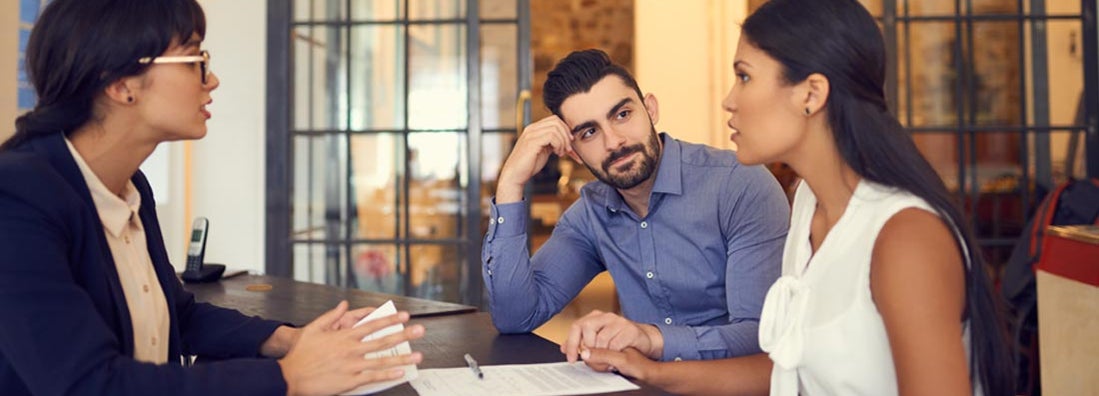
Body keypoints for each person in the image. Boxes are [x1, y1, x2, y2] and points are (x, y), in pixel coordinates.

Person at [580, 1, 1014, 395]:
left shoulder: (905, 237)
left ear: (811, 94)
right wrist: (648, 371)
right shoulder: (808, 201)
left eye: (744, 76)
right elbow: (790, 373)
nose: (729, 100)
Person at [0, 1, 423, 395]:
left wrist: (291, 340)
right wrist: (289, 376)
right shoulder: (16, 198)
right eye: (194, 61)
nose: (212, 79)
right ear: (120, 83)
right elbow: (89, 384)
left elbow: (178, 316)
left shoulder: (131, 186)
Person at [482, 49, 790, 364]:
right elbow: (516, 317)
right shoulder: (590, 215)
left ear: (650, 109)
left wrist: (651, 339)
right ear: (573, 151)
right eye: (589, 132)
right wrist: (510, 183)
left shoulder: (738, 185)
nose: (614, 141)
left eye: (622, 115)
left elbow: (761, 334)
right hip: (641, 383)